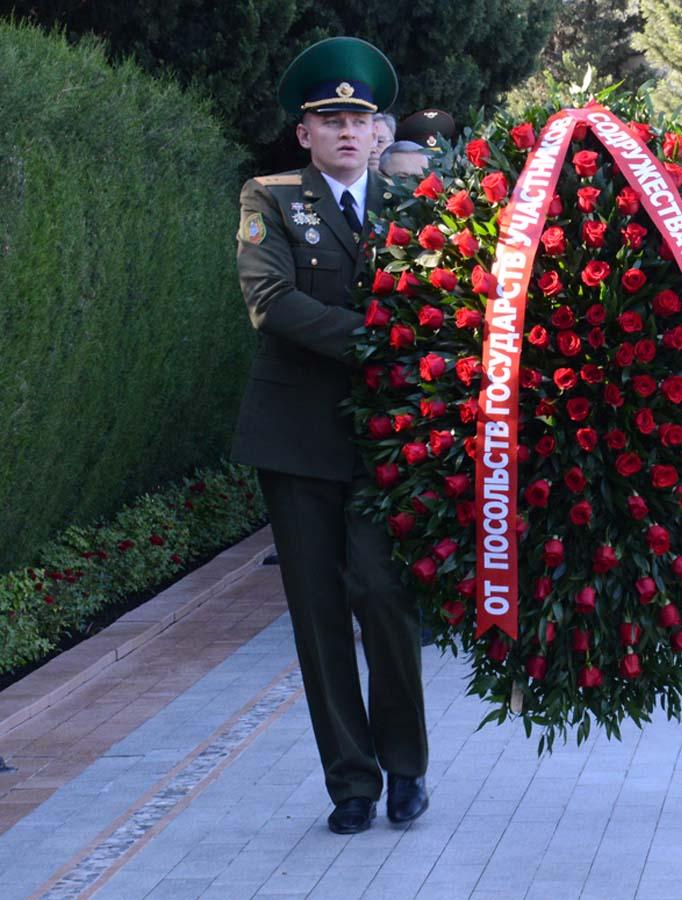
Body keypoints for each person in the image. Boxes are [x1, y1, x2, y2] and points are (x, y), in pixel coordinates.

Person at [231, 36, 429, 835]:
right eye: (330, 120)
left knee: (384, 597)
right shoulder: (271, 198)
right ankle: (351, 782)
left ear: (378, 131)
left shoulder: (415, 206)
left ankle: (406, 767)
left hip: (389, 440)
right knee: (317, 618)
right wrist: (380, 341)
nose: (348, 131)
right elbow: (270, 300)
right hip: (297, 438)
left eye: (359, 118)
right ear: (304, 133)